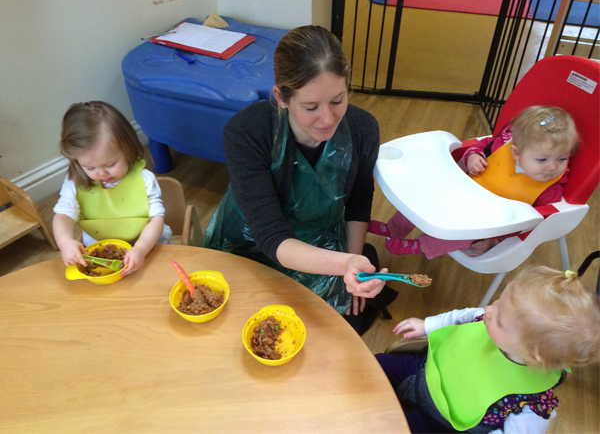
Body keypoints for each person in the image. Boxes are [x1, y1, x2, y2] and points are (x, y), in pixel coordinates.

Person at [202, 25, 394, 334]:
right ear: (281, 97)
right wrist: (343, 265)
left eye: (338, 100)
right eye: (310, 107)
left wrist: (353, 262)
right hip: (252, 246)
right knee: (249, 327)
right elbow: (270, 237)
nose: (328, 119)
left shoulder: (362, 129)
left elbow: (359, 202)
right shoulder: (247, 132)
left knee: (342, 327)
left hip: (321, 240)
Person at [375, 265, 600, 433]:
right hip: (422, 371)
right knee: (372, 366)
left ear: (533, 355)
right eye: (498, 301)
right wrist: (428, 324)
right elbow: (460, 316)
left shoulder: (531, 408)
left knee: (382, 427)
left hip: (441, 423)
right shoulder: (488, 317)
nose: (489, 310)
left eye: (500, 320)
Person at [369, 105, 580, 259]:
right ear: (516, 152)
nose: (553, 167)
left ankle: (418, 246)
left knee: (461, 236)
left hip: (482, 220)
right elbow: (480, 145)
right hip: (462, 192)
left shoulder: (550, 190)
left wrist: (496, 240)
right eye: (542, 159)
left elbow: (528, 222)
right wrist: (472, 156)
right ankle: (393, 229)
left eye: (562, 158)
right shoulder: (501, 145)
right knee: (423, 199)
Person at [53, 101, 171, 276]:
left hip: (149, 247)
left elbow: (156, 219)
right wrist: (65, 242)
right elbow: (63, 215)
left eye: (110, 164)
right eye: (89, 168)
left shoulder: (144, 179)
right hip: (100, 254)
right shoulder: (74, 182)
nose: (101, 173)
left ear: (128, 150)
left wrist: (140, 248)